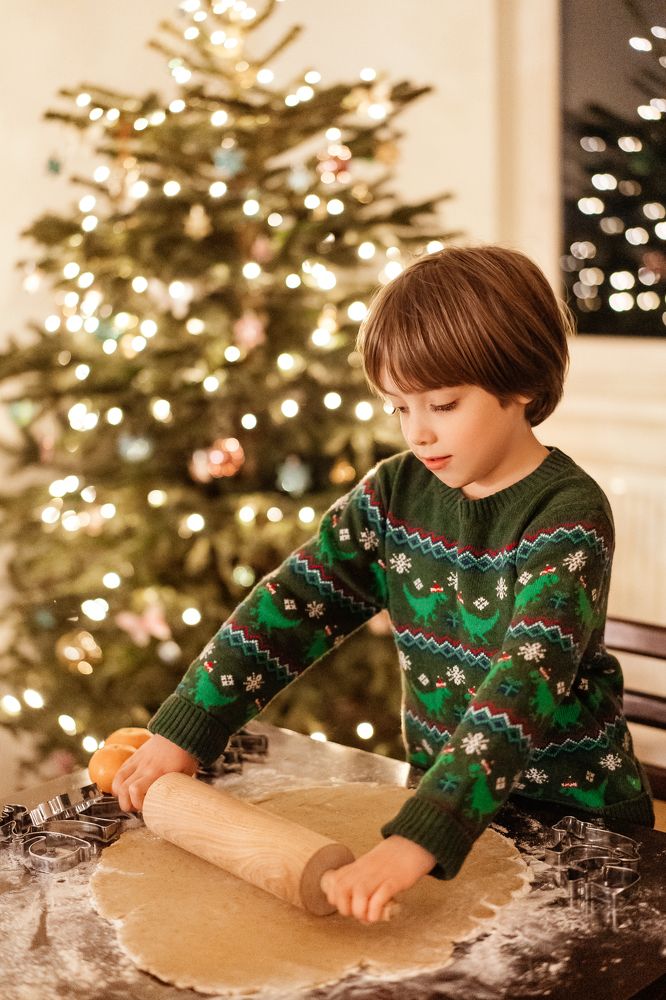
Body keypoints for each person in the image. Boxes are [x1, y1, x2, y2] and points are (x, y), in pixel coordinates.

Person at [113, 244, 654, 923]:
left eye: (443, 403)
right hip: (454, 820)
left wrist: (418, 838)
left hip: (581, 831)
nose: (419, 431)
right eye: (399, 407)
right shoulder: (395, 493)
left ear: (521, 385)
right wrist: (187, 729)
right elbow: (292, 606)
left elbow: (522, 689)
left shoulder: (567, 516)